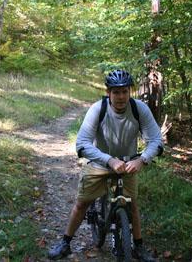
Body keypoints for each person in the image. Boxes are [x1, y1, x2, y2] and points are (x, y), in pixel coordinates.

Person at [47, 69, 163, 261]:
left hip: (128, 164)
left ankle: (139, 247)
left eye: (125, 91)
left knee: (132, 205)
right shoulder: (97, 109)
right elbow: (82, 143)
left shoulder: (139, 109)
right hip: (99, 162)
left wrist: (142, 159)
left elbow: (157, 140)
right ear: (108, 92)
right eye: (116, 92)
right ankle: (65, 243)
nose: (121, 96)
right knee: (82, 203)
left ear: (130, 92)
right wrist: (109, 160)